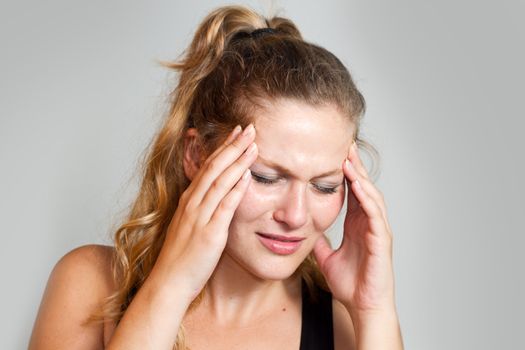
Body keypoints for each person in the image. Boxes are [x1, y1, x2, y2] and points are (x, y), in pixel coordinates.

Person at [29, 5, 403, 350]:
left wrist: (374, 311)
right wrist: (172, 286)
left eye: (325, 186)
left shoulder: (347, 326)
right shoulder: (91, 285)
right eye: (266, 177)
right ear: (196, 155)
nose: (296, 216)